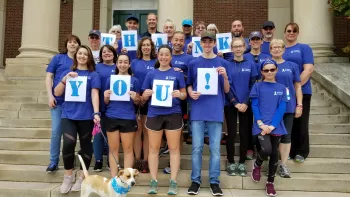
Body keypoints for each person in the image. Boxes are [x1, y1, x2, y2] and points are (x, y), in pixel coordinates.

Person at [187, 32, 231, 196]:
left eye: (209, 41)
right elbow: (189, 84)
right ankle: (195, 180)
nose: (207, 44)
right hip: (198, 109)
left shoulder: (222, 63)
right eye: (204, 41)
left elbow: (226, 90)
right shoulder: (194, 62)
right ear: (201, 43)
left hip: (215, 110)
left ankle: (214, 182)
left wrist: (225, 76)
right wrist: (191, 93)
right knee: (197, 148)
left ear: (214, 43)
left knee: (215, 149)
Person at [55, 45, 101, 194]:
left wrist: (96, 113)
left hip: (86, 116)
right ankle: (68, 176)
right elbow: (57, 92)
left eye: (85, 54)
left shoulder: (93, 75)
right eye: (80, 53)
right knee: (68, 143)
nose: (82, 56)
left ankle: (82, 177)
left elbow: (94, 95)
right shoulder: (69, 72)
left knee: (86, 146)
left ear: (89, 57)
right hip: (68, 114)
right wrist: (64, 80)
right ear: (76, 56)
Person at [142, 45, 187, 195]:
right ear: (157, 56)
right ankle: (153, 181)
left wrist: (179, 95)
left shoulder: (177, 73)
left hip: (173, 113)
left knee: (174, 149)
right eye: (161, 54)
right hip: (154, 113)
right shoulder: (151, 74)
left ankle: (173, 182)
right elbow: (142, 97)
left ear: (171, 57)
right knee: (153, 149)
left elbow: (184, 94)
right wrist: (146, 94)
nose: (164, 57)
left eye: (167, 55)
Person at [250, 59, 288, 197]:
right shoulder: (257, 86)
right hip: (260, 125)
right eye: (266, 70)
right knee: (266, 149)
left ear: (276, 70)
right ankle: (257, 164)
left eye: (272, 69)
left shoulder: (282, 88)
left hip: (275, 126)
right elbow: (254, 105)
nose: (269, 72)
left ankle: (270, 183)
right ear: (262, 72)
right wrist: (260, 123)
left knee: (274, 155)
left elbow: (282, 108)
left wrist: (272, 126)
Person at [45, 34, 81, 173]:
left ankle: (70, 159)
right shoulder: (58, 58)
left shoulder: (80, 59)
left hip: (75, 104)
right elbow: (49, 77)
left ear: (78, 45)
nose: (72, 44)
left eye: (75, 42)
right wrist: (50, 95)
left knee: (71, 135)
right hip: (58, 102)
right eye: (70, 42)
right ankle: (53, 161)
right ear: (66, 45)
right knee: (56, 132)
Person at [162, 31, 194, 174]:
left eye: (181, 40)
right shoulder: (164, 55)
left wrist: (181, 73)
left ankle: (175, 162)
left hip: (179, 99)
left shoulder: (189, 58)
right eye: (176, 40)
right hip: (162, 98)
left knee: (177, 131)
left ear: (184, 42)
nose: (178, 42)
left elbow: (192, 79)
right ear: (171, 40)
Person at [225, 37, 257, 177]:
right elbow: (226, 86)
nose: (238, 49)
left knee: (245, 134)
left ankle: (242, 162)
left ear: (245, 48)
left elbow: (253, 85)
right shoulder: (227, 64)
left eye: (240, 46)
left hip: (246, 105)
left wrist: (245, 102)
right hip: (230, 104)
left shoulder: (250, 64)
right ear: (231, 49)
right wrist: (234, 102)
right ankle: (231, 161)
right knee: (231, 134)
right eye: (235, 46)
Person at [104, 53, 140, 177]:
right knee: (113, 150)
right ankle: (114, 178)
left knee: (128, 149)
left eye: (125, 62)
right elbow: (106, 102)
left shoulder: (134, 80)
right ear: (116, 63)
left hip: (128, 117)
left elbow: (138, 102)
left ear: (129, 64)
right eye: (120, 62)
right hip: (112, 116)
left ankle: (127, 179)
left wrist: (136, 97)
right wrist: (106, 96)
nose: (122, 64)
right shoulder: (110, 79)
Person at [270, 39, 303, 178]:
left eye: (279, 47)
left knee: (286, 135)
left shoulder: (292, 66)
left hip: (288, 105)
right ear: (270, 49)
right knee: (270, 136)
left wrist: (299, 105)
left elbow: (298, 86)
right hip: (270, 106)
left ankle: (283, 165)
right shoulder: (265, 64)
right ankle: (272, 164)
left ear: (284, 49)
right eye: (274, 47)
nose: (277, 49)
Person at [283, 22, 314, 163]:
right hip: (285, 94)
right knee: (289, 122)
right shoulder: (282, 49)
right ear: (284, 33)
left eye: (294, 31)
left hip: (303, 91)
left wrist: (297, 87)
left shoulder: (304, 48)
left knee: (301, 121)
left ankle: (301, 151)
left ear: (297, 33)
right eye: (289, 30)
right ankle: (290, 150)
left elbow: (308, 69)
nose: (291, 33)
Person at [131, 37, 157, 173]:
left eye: (148, 45)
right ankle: (137, 160)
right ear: (140, 48)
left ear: (152, 47)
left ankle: (145, 161)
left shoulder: (156, 62)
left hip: (151, 99)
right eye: (144, 45)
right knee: (137, 130)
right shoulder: (134, 62)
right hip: (136, 98)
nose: (146, 47)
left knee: (147, 131)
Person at [93, 45, 118, 172]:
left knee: (111, 136)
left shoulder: (118, 67)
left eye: (109, 51)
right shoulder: (96, 67)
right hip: (99, 106)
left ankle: (110, 159)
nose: (107, 53)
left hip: (114, 107)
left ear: (114, 53)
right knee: (98, 134)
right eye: (104, 52)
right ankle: (98, 160)